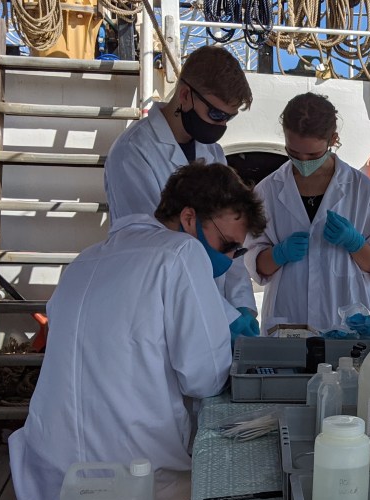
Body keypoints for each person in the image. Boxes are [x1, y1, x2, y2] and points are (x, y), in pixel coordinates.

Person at [10, 162, 267, 500]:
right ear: (190, 217)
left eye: (237, 253)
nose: (227, 261)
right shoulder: (182, 253)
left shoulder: (85, 260)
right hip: (132, 481)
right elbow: (205, 378)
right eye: (227, 246)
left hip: (53, 475)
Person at [104, 45, 260, 336]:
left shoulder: (212, 152)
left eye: (229, 117)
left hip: (208, 308)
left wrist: (241, 306)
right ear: (186, 95)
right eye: (215, 113)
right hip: (158, 307)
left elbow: (231, 241)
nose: (221, 125)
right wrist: (224, 316)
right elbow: (157, 245)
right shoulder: (133, 152)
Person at [244, 93, 370, 332]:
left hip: (346, 319)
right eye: (293, 153)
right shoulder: (268, 191)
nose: (303, 162)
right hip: (288, 319)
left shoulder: (363, 190)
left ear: (333, 139)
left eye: (312, 155)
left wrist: (355, 243)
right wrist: (278, 254)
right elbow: (256, 265)